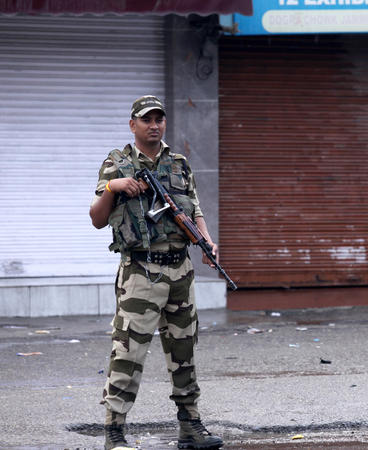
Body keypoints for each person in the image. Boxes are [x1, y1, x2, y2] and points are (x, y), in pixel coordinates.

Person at [90, 95, 224, 450]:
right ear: (132, 125)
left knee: (183, 351)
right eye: (146, 119)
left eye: (159, 118)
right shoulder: (116, 164)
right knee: (128, 352)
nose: (154, 125)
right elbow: (97, 219)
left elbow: (193, 208)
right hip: (141, 272)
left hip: (180, 269)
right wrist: (113, 187)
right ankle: (114, 433)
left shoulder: (179, 163)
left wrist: (207, 244)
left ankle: (191, 427)